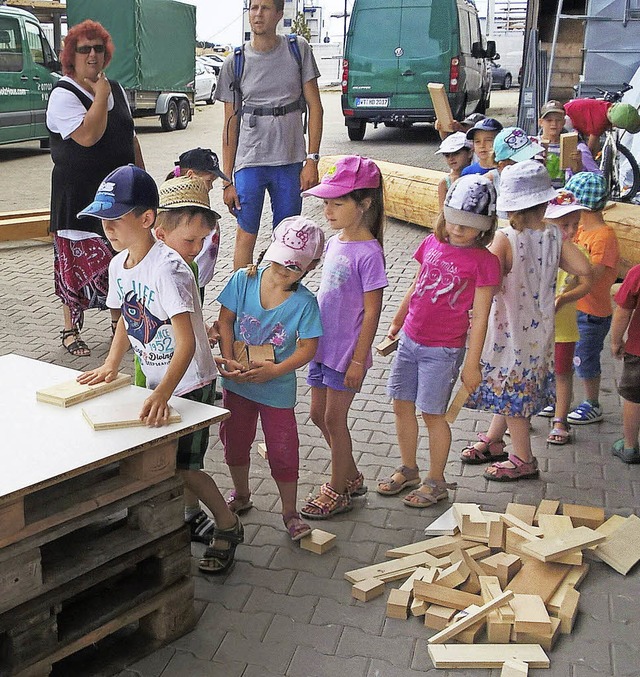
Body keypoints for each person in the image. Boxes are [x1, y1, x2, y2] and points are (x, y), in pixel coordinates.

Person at [76, 165, 243, 575]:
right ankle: (191, 516)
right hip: (158, 380)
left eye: (116, 219)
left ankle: (228, 523)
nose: (107, 228)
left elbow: (186, 343)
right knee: (171, 462)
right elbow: (126, 318)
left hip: (189, 381)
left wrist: (164, 391)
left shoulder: (168, 268)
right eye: (103, 219)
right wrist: (110, 364)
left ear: (147, 218)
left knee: (186, 466)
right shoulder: (120, 265)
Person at [461, 161, 592, 480]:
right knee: (512, 389)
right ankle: (494, 440)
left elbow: (485, 281)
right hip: (539, 334)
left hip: (509, 333)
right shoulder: (553, 236)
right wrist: (563, 287)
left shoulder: (505, 238)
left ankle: (523, 458)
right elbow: (585, 270)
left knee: (511, 394)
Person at [377, 175, 501, 506]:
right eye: (453, 220)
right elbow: (416, 285)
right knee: (401, 405)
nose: (458, 229)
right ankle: (409, 469)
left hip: (443, 350)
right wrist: (397, 321)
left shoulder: (485, 262)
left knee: (433, 415)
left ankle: (436, 481)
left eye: (468, 224)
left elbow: (481, 317)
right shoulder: (432, 244)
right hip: (410, 341)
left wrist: (471, 365)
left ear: (485, 227)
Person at [216, 216, 324, 541]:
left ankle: (290, 512)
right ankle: (242, 494)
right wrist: (229, 358)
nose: (283, 271)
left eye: (293, 268)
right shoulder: (243, 280)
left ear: (310, 267)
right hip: (237, 385)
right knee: (234, 441)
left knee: (282, 450)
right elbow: (224, 321)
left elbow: (308, 347)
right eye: (279, 262)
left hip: (277, 391)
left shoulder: (305, 304)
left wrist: (276, 370)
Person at [46, 19, 145, 357]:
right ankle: (70, 329)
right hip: (79, 194)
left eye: (98, 49)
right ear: (70, 56)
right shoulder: (63, 93)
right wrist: (99, 96)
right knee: (75, 264)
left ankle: (122, 325)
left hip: (118, 195)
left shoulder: (115, 88)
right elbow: (89, 136)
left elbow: (129, 137)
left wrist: (142, 180)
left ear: (106, 55)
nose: (91, 55)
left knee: (119, 259)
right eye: (83, 49)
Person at [297, 156, 388, 519]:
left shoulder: (370, 253)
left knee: (335, 419)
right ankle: (349, 475)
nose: (328, 210)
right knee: (318, 415)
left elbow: (372, 312)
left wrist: (357, 360)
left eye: (337, 203)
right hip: (321, 346)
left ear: (364, 204)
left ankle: (338, 489)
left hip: (346, 353)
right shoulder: (335, 243)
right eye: (325, 203)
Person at [215, 0, 324, 270]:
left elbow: (316, 108)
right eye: (253, 8)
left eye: (265, 8)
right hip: (250, 161)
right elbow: (230, 126)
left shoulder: (298, 50)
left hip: (289, 162)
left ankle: (279, 302)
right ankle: (239, 306)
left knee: (289, 237)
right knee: (245, 234)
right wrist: (227, 180)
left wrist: (312, 160)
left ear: (278, 13)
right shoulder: (235, 62)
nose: (258, 14)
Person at [564, 172, 620, 425]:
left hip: (592, 312)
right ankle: (561, 400)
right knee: (566, 355)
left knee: (584, 358)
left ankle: (592, 402)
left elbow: (591, 277)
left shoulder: (604, 237)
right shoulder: (580, 229)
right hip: (573, 309)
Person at [538, 190, 592, 445]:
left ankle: (561, 419)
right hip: (536, 328)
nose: (569, 230)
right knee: (533, 371)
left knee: (562, 373)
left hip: (564, 328)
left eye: (574, 224)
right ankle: (521, 417)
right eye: (563, 225)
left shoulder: (578, 253)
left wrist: (565, 298)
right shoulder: (537, 249)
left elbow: (586, 284)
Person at [166, 148, 230, 302]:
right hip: (183, 278)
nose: (211, 187)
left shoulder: (200, 207)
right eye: (209, 181)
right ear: (190, 176)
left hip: (196, 278)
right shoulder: (180, 213)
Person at [611, 263, 640, 462]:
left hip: (638, 350)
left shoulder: (637, 273)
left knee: (633, 397)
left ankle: (629, 446)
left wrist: (615, 341)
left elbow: (622, 312)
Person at [536, 100, 600, 188]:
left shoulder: (572, 145)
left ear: (564, 122)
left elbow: (578, 175)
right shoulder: (534, 144)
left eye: (558, 120)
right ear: (541, 122)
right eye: (549, 120)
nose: (554, 124)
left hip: (564, 193)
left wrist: (578, 164)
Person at [564, 97, 640, 153]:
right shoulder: (599, 123)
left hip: (570, 108)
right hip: (566, 120)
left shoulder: (608, 106)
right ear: (615, 124)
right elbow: (591, 147)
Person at [436, 133, 474, 210]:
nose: (451, 158)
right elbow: (442, 212)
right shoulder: (445, 183)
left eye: (456, 153)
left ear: (470, 153)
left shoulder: (477, 176)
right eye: (447, 155)